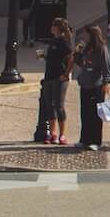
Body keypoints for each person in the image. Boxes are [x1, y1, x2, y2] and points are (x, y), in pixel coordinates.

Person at [36, 17, 74, 146]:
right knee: (49, 105)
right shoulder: (53, 41)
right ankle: (53, 133)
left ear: (58, 28)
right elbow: (54, 58)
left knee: (59, 105)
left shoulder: (64, 42)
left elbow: (71, 58)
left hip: (59, 77)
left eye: (53, 25)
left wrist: (66, 74)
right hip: (49, 76)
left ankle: (62, 134)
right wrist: (44, 57)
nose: (51, 27)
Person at [75, 24, 110, 151]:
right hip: (85, 83)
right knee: (85, 113)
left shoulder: (102, 49)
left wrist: (106, 82)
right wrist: (78, 53)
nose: (83, 36)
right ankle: (84, 139)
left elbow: (106, 67)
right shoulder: (86, 48)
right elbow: (81, 64)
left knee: (95, 114)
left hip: (96, 84)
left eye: (85, 33)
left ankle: (95, 140)